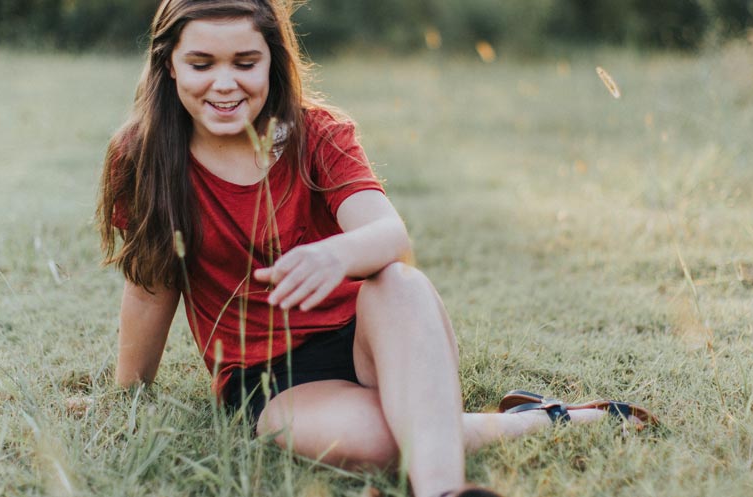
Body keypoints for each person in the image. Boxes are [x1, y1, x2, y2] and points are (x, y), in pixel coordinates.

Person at [96, 1, 657, 496]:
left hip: (372, 336)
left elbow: (391, 236)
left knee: (399, 279)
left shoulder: (318, 132)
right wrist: (128, 396)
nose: (225, 84)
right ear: (168, 64)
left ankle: (444, 491)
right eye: (202, 64)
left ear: (273, 60)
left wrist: (335, 255)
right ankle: (539, 420)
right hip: (270, 379)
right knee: (387, 441)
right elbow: (150, 289)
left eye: (246, 62)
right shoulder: (143, 157)